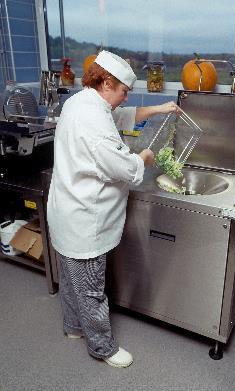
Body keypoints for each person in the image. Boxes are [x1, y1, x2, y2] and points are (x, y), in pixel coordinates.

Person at [47, 50, 179, 368]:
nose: (124, 98)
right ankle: (102, 348)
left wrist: (162, 107)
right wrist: (145, 156)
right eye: (123, 91)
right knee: (91, 289)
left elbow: (121, 116)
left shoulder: (81, 102)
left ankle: (74, 328)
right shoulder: (92, 118)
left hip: (66, 212)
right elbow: (126, 168)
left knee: (70, 279)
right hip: (85, 220)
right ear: (107, 82)